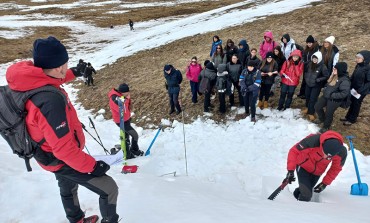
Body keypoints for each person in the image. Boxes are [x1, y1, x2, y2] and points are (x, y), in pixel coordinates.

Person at [5, 36, 119, 223]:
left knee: (67, 186)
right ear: (58, 67)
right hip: (58, 157)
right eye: (66, 65)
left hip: (44, 152)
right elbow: (65, 151)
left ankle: (76, 220)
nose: (66, 68)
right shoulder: (50, 102)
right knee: (109, 188)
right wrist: (94, 166)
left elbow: (49, 78)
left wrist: (74, 72)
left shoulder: (27, 79)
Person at [285, 130, 347, 202]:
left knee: (306, 190)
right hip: (303, 166)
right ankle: (298, 211)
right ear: (322, 146)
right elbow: (294, 151)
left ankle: (294, 200)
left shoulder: (341, 152)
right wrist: (290, 170)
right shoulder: (313, 141)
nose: (325, 157)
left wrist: (324, 183)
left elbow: (336, 168)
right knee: (306, 195)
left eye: (328, 157)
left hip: (317, 172)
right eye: (324, 153)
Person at [108, 83, 144, 158]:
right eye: (127, 93)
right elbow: (122, 110)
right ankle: (133, 150)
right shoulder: (115, 98)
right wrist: (127, 99)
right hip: (121, 121)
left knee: (126, 136)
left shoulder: (122, 96)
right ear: (122, 92)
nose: (128, 94)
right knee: (135, 136)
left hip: (125, 119)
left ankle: (127, 152)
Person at [315, 62, 351, 133]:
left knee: (329, 113)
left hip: (334, 100)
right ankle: (322, 118)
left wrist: (332, 95)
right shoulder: (334, 75)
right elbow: (328, 84)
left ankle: (326, 126)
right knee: (317, 107)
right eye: (334, 68)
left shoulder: (345, 80)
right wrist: (325, 88)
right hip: (326, 96)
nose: (333, 70)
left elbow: (344, 93)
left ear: (340, 70)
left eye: (335, 69)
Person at [342, 51, 370, 125]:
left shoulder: (368, 68)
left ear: (365, 59)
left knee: (356, 104)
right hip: (354, 89)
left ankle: (352, 119)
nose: (356, 59)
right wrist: (349, 83)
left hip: (361, 91)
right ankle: (348, 117)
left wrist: (360, 90)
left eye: (359, 58)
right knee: (352, 103)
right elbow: (353, 76)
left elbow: (368, 82)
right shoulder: (358, 66)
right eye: (356, 57)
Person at [302, 51, 329, 121]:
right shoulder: (309, 64)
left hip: (316, 86)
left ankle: (311, 113)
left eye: (316, 59)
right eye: (313, 58)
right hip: (308, 84)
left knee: (312, 99)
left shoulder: (323, 66)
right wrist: (306, 77)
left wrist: (319, 80)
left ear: (319, 59)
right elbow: (306, 71)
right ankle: (307, 109)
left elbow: (326, 76)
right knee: (307, 97)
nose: (314, 60)